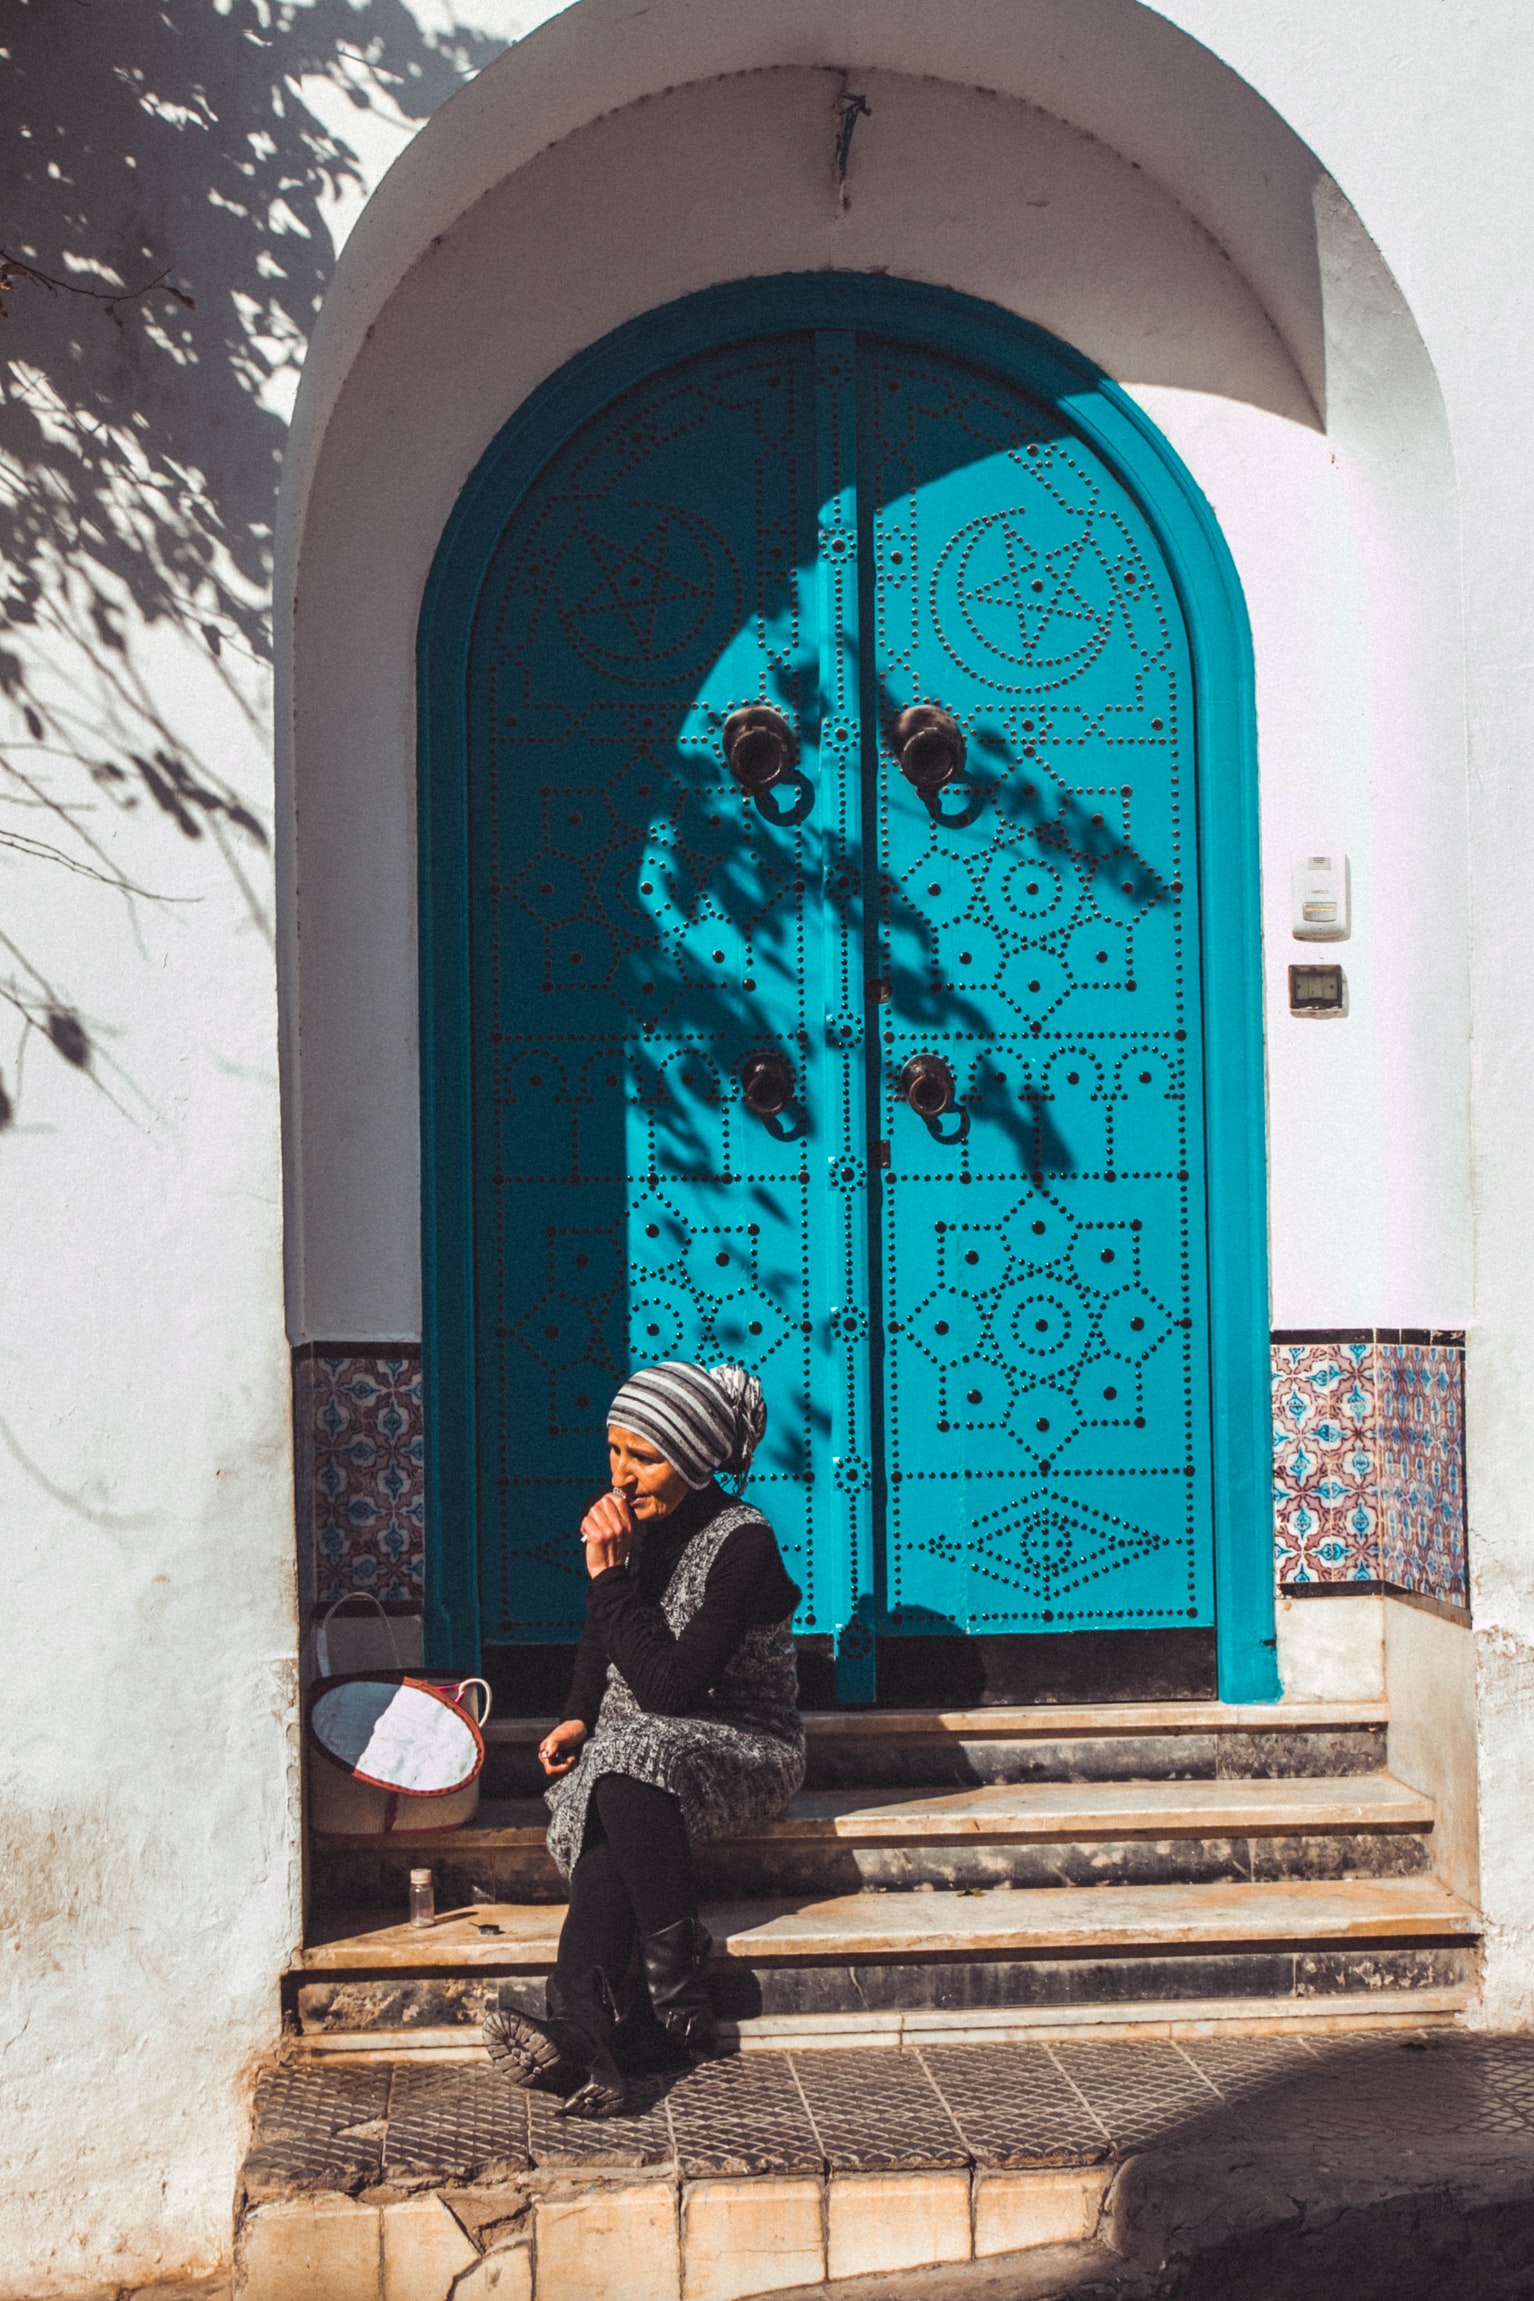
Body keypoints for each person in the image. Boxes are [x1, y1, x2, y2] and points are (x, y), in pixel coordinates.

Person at [483, 1359, 806, 2117]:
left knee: (627, 1760)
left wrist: (609, 1577)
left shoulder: (743, 1543)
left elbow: (670, 1689)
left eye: (645, 1456)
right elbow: (603, 1640)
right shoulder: (637, 1526)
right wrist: (576, 1711)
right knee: (609, 1796)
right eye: (615, 1450)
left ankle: (674, 1997)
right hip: (642, 1749)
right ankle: (584, 2029)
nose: (622, 1476)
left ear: (694, 1460)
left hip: (742, 1743)